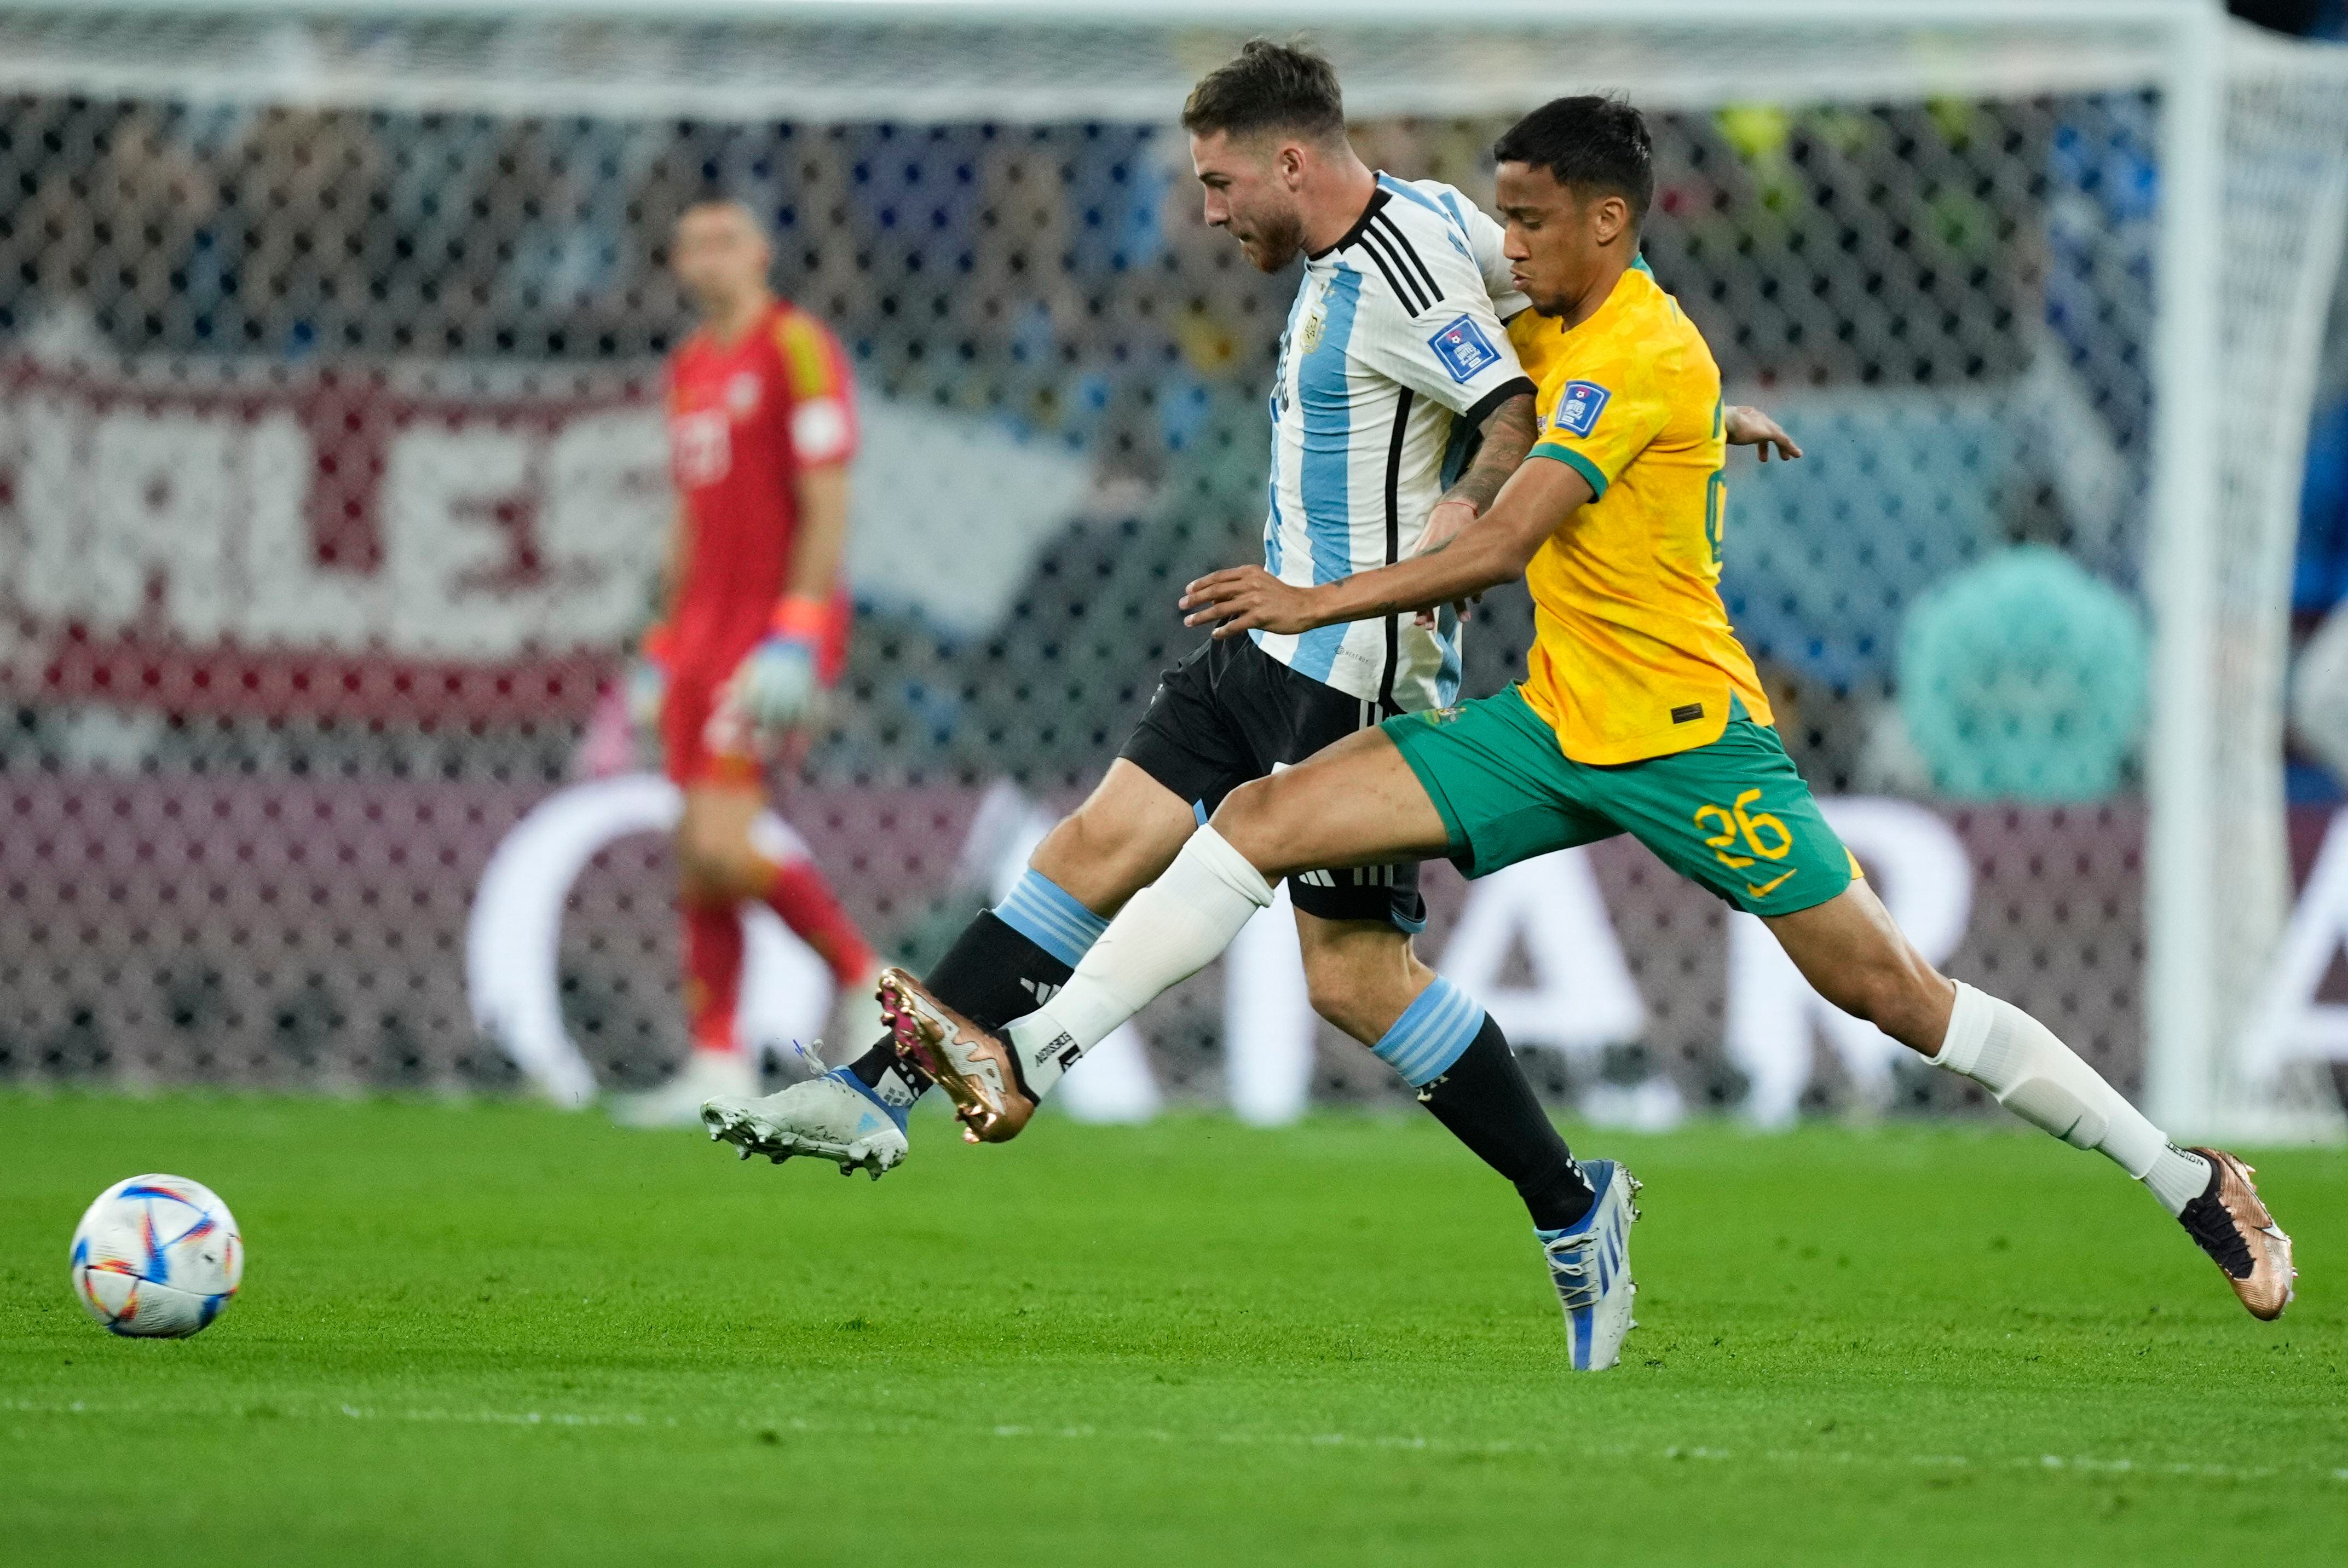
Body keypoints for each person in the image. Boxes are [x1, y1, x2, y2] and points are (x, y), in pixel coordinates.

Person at [868, 96, 2297, 1368]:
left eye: (1535, 219)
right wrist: (1716, 423)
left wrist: (1319, 595)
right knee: (1259, 822)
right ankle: (1032, 1058)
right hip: (1550, 723)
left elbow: (1505, 544)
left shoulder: (1636, 351)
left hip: (1687, 741)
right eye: (1504, 213)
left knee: (1896, 996)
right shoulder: (1565, 325)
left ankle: (2183, 1175)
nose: (1513, 241)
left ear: (1611, 221)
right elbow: (1505, 371)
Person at [702, 46, 1793, 1368]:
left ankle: (1574, 1205)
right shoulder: (1435, 223)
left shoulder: (1404, 262)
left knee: (1354, 980)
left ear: (1292, 160)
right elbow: (1577, 324)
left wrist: (1498, 488)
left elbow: (1515, 402)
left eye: (1221, 182)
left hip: (1354, 664)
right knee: (1088, 849)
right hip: (1264, 629)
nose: (1210, 211)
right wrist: (1706, 413)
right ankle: (876, 1093)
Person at [610, 199, 883, 1129]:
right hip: (698, 631)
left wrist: (802, 626)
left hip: (771, 629)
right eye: (691, 243)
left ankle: (868, 980)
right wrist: (658, 643)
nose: (707, 257)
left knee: (726, 841)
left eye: (725, 240)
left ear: (762, 252)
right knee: (697, 853)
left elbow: (828, 495)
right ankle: (716, 1058)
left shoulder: (796, 347)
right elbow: (690, 514)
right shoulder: (689, 366)